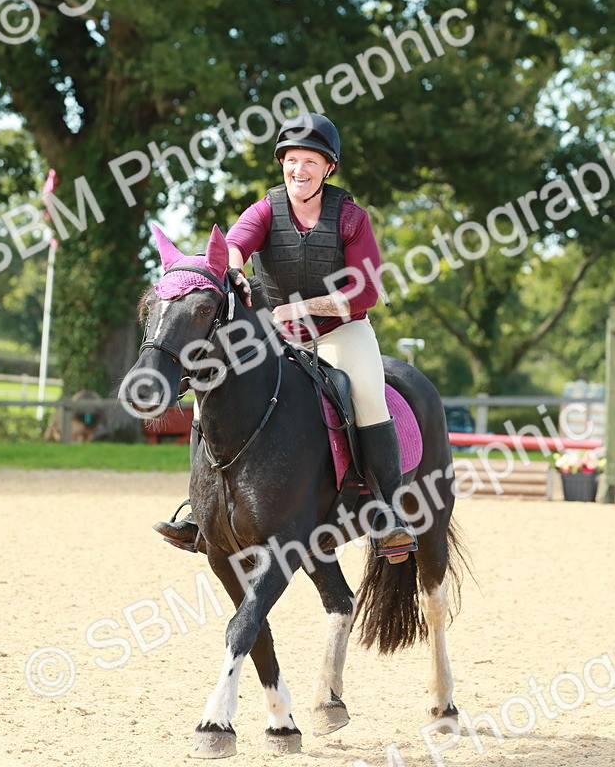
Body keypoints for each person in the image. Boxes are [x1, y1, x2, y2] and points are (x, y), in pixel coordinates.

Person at [153, 112, 417, 561]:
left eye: (310, 161)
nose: (299, 170)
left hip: (341, 331)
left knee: (369, 396)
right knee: (209, 389)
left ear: (328, 168)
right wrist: (231, 266)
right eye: (292, 160)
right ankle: (200, 511)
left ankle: (388, 514)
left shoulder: (351, 218)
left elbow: (366, 289)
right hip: (278, 334)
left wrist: (304, 307)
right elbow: (236, 243)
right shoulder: (265, 209)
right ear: (282, 164)